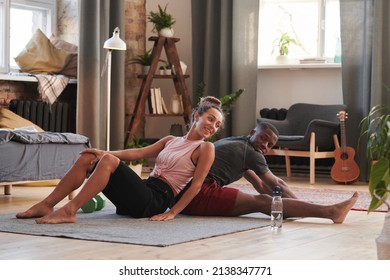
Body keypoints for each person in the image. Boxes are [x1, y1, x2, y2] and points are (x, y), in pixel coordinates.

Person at [16, 96, 224, 224]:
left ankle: (70, 210)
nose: (213, 126)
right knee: (90, 157)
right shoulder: (171, 140)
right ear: (197, 116)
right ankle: (47, 204)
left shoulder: (206, 148)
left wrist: (173, 213)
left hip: (155, 201)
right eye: (210, 119)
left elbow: (196, 185)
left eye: (217, 125)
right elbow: (137, 153)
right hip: (140, 193)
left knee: (106, 161)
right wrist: (101, 151)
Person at [177, 120, 358, 224]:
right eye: (263, 138)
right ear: (253, 132)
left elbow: (260, 185)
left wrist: (297, 207)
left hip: (182, 194)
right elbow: (277, 185)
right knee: (264, 203)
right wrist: (302, 206)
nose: (264, 145)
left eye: (270, 145)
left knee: (264, 200)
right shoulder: (250, 152)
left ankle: (325, 210)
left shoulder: (236, 142)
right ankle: (331, 212)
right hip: (196, 195)